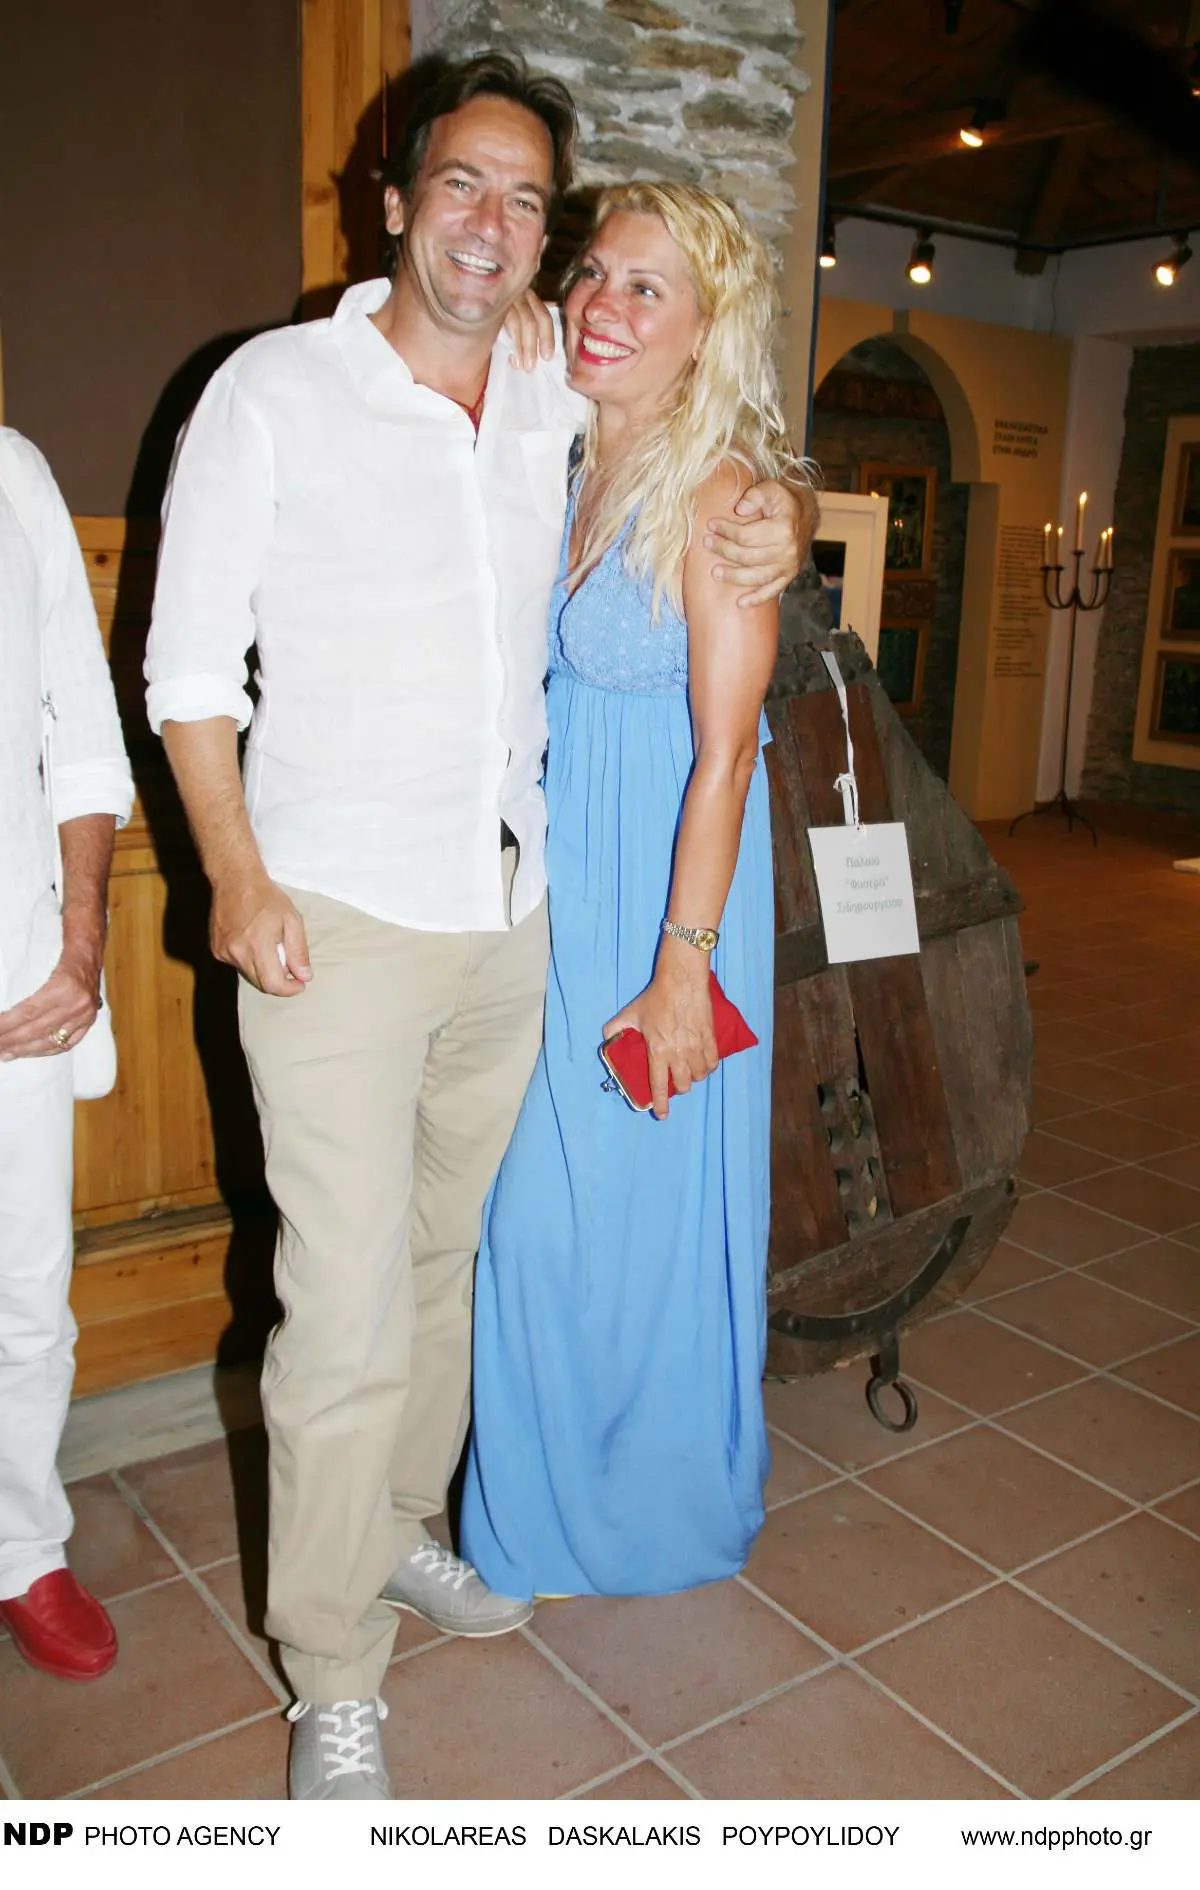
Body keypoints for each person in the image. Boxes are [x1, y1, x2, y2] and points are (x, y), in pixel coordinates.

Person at [145, 53, 806, 1799]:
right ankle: (333, 1674)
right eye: (463, 184)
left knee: (446, 1270)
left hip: (515, 920)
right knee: (343, 1309)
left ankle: (396, 1530)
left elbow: (713, 473)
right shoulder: (273, 392)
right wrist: (233, 877)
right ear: (395, 199)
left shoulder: (539, 392)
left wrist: (783, 508)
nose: (498, 228)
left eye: (529, 204)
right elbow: (189, 668)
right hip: (334, 922)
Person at [462, 183, 807, 1600]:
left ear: (707, 328)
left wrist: (684, 971)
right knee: (540, 1214)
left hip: (671, 890)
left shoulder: (723, 499)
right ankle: (540, 1511)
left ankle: (645, 1508)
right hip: (563, 878)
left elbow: (726, 757)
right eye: (595, 271)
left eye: (647, 287)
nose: (603, 303)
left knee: (631, 1211)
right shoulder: (554, 448)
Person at [0, 428, 133, 1680]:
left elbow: (82, 730)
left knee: (28, 1291)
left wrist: (82, 938)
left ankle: (21, 1545)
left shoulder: (14, 475)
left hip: (18, 974)